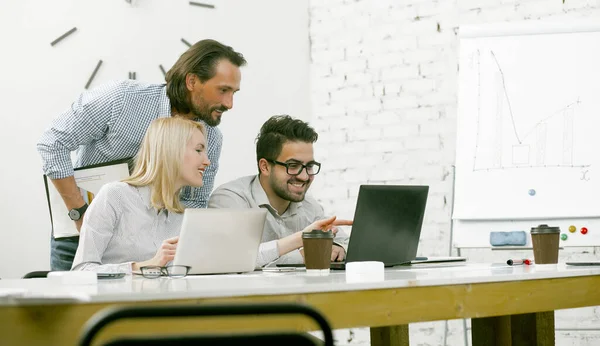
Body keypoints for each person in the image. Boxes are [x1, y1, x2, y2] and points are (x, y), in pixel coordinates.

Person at [38, 39, 246, 271]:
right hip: (80, 234)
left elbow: (193, 203)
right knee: (75, 302)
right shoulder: (122, 99)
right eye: (223, 90)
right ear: (192, 81)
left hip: (149, 250)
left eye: (234, 92)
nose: (229, 103)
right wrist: (80, 213)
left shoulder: (211, 138)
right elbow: (53, 143)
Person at [208, 115, 352, 267]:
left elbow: (345, 241)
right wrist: (304, 253)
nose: (304, 176)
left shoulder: (310, 206)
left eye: (309, 166)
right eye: (293, 165)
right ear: (265, 167)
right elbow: (232, 259)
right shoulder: (230, 200)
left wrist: (338, 247)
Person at [71, 117, 210, 273]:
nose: (207, 161)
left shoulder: (182, 218)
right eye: (199, 150)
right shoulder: (114, 196)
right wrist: (144, 266)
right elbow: (81, 271)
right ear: (171, 150)